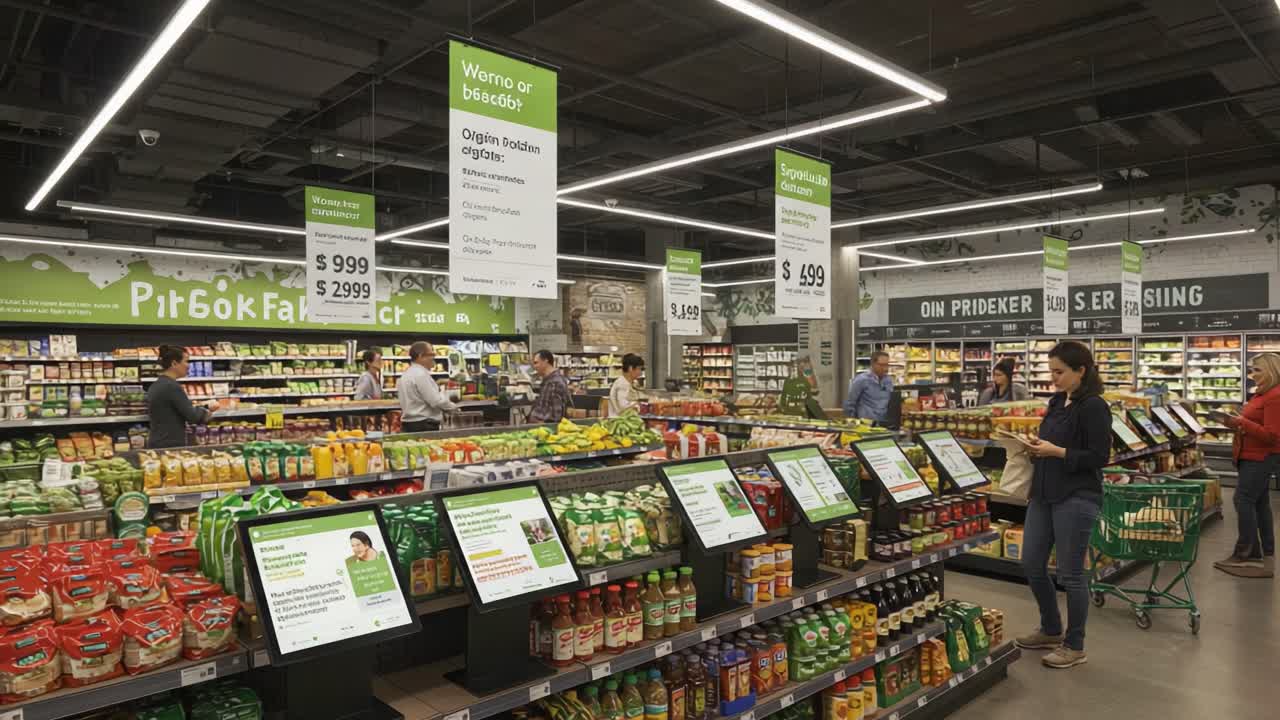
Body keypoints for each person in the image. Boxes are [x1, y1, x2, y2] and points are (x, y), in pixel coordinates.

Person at [1014, 341, 1110, 669]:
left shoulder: (1094, 406)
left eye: (1059, 372)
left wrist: (1058, 452)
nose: (1053, 378)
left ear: (1081, 371)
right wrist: (1033, 447)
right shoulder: (1056, 401)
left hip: (1077, 495)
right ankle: (1051, 628)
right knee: (1031, 563)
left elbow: (1100, 457)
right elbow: (1050, 440)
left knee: (1070, 574)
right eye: (1051, 371)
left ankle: (1075, 644)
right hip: (1043, 492)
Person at [1214, 352, 1280, 578]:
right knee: (1260, 504)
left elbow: (1272, 436)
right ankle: (1265, 555)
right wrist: (1236, 423)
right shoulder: (1261, 395)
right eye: (1252, 370)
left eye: (1257, 370)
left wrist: (1242, 422)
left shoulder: (1274, 396)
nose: (1252, 375)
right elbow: (1257, 425)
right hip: (1250, 454)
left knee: (1242, 499)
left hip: (1260, 457)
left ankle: (1247, 553)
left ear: (1271, 371)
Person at [146, 345, 218, 449]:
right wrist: (208, 408)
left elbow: (177, 409)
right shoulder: (172, 387)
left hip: (158, 441)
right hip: (170, 444)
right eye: (186, 361)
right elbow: (193, 417)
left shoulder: (157, 384)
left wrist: (200, 406)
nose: (189, 366)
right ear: (174, 363)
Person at [398, 341, 456, 433]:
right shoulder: (420, 374)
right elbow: (435, 401)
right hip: (424, 425)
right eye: (431, 354)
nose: (434, 357)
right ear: (421, 356)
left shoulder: (406, 374)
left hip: (410, 424)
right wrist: (454, 408)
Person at [843, 351, 893, 423]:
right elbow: (850, 403)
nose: (885, 368)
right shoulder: (861, 380)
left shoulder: (888, 381)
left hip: (883, 424)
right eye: (881, 365)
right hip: (865, 425)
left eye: (887, 365)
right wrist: (853, 422)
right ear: (873, 364)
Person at [529, 349, 571, 424]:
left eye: (536, 363)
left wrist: (543, 424)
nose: (534, 366)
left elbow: (556, 414)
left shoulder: (555, 382)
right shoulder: (548, 380)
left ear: (545, 361)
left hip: (545, 429)